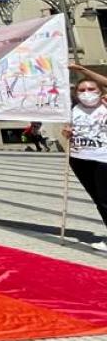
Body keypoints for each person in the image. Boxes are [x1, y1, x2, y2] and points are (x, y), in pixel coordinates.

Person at [65, 64, 107, 251]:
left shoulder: (105, 104)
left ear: (100, 91)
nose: (87, 93)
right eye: (82, 90)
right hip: (79, 159)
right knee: (99, 200)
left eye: (91, 89)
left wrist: (80, 69)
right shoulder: (73, 109)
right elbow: (69, 131)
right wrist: (67, 132)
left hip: (103, 159)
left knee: (106, 199)